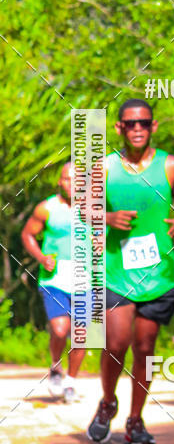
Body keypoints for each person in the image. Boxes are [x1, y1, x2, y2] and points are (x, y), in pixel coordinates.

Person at [86, 99, 174, 444]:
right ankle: (107, 402)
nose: (137, 129)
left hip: (158, 274)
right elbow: (86, 209)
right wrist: (106, 218)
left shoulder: (171, 165)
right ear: (119, 127)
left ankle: (136, 420)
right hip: (116, 272)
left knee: (145, 347)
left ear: (153, 127)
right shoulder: (104, 167)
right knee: (116, 341)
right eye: (130, 124)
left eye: (143, 123)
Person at [21, 162, 86, 402]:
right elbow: (27, 234)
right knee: (60, 329)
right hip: (55, 279)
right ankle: (56, 366)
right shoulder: (46, 208)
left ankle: (71, 381)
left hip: (86, 279)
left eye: (78, 180)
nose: (72, 184)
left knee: (81, 333)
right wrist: (40, 257)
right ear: (60, 182)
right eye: (67, 179)